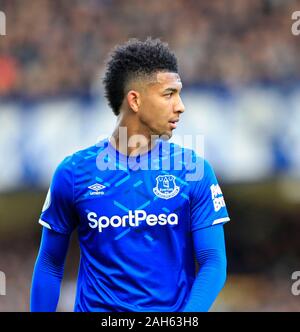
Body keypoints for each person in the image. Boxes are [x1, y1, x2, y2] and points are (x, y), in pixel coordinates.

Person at [30, 38, 230, 312]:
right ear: (135, 100)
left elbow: (213, 261)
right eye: (169, 94)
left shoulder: (193, 170)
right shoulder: (74, 173)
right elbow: (50, 263)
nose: (180, 106)